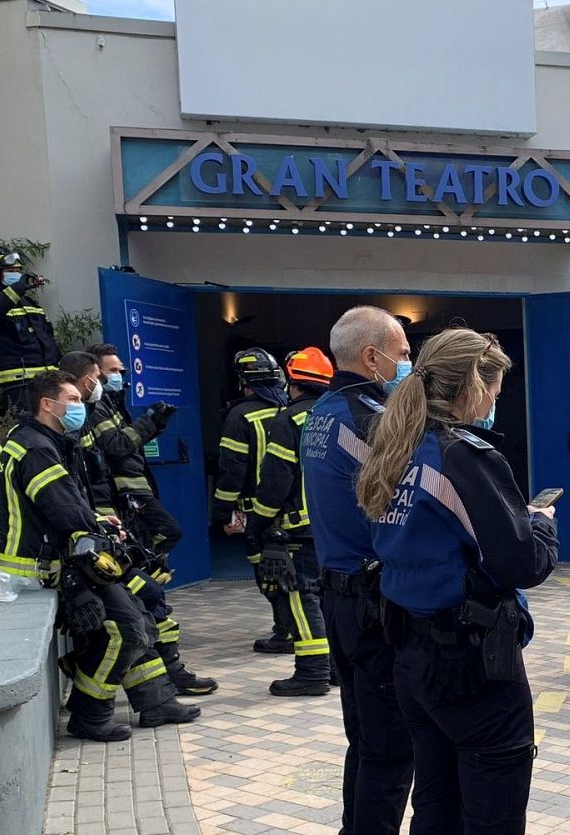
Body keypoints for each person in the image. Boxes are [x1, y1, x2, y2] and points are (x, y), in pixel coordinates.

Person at [356, 328, 556, 835]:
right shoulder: (464, 456)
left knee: (437, 803)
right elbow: (522, 564)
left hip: (413, 656)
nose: (494, 401)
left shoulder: (398, 446)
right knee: (492, 812)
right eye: (493, 389)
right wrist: (540, 523)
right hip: (472, 668)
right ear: (472, 384)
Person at [0, 371, 199, 741]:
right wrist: (98, 534)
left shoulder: (38, 440)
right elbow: (64, 512)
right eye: (71, 399)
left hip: (60, 558)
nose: (79, 406)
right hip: (46, 567)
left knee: (140, 611)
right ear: (47, 404)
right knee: (125, 629)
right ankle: (89, 713)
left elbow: (66, 505)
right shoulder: (38, 448)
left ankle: (155, 700)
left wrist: (99, 520)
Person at [303, 306, 416, 834]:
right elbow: (412, 503)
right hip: (374, 600)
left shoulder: (322, 410)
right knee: (391, 750)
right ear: (372, 357)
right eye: (404, 355)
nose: (409, 365)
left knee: (367, 740)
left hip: (339, 595)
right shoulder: (373, 419)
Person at [83, 344, 217, 696]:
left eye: (122, 371)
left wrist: (154, 424)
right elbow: (115, 447)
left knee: (151, 596)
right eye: (112, 371)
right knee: (154, 575)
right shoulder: (93, 411)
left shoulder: (112, 405)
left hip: (131, 502)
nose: (119, 377)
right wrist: (149, 422)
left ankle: (170, 675)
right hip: (124, 504)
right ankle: (168, 676)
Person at [246, 346, 335, 697]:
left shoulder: (290, 419)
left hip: (300, 528)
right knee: (335, 598)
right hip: (341, 527)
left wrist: (258, 522)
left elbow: (276, 479)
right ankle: (338, 668)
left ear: (293, 382)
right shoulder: (341, 414)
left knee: (302, 596)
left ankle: (313, 672)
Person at [211, 347, 292, 653]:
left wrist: (222, 511)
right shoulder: (291, 409)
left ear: (243, 380)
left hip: (256, 511)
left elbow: (232, 469)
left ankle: (286, 631)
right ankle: (293, 626)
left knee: (268, 573)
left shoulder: (239, 415)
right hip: (294, 509)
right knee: (295, 571)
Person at [0, 244, 61, 412]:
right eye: (10, 270)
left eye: (18, 270)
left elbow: (49, 341)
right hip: (19, 386)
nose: (16, 274)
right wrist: (17, 289)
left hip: (49, 382)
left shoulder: (32, 305)